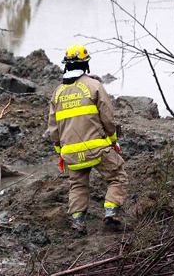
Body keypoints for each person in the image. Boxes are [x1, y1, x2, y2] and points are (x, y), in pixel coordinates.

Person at [48, 43, 127, 233]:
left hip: (70, 153)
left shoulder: (57, 93)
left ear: (66, 65)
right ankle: (110, 213)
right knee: (117, 177)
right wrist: (113, 141)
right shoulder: (94, 86)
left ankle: (78, 223)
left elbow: (53, 129)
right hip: (97, 148)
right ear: (86, 65)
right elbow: (108, 119)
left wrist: (61, 153)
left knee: (77, 185)